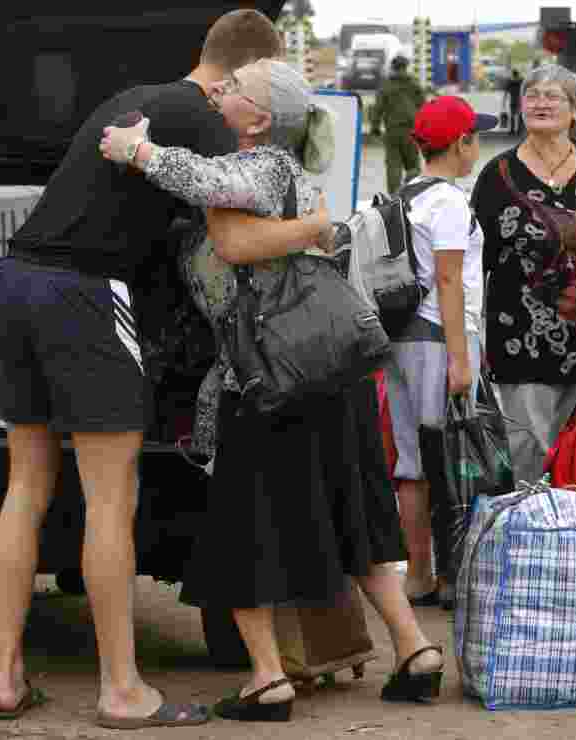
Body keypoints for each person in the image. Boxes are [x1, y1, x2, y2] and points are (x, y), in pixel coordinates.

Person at [0, 10, 332, 730]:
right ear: (245, 79)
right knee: (112, 496)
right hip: (86, 292)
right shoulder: (203, 118)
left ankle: (7, 677)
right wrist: (313, 229)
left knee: (26, 484)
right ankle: (122, 691)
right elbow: (234, 236)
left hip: (18, 280)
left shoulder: (130, 98)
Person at [99, 58, 445, 722]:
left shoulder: (261, 166)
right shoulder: (294, 177)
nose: (221, 90)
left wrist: (134, 148)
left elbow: (198, 181)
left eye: (235, 89)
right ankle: (415, 649)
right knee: (354, 516)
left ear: (258, 119)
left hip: (272, 375)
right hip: (328, 370)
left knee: (242, 523)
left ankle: (266, 677)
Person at [382, 96, 498, 609]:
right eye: (476, 136)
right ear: (459, 144)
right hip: (438, 337)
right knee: (450, 456)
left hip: (401, 340)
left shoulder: (404, 193)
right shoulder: (448, 202)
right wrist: (460, 358)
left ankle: (419, 574)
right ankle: (453, 577)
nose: (479, 146)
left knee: (412, 460)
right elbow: (449, 279)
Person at [470, 64, 576, 485]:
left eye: (553, 96)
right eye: (532, 95)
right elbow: (479, 263)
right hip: (522, 343)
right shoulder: (497, 175)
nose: (540, 103)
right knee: (527, 456)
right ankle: (527, 545)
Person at [371, 55, 427, 194]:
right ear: (406, 67)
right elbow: (424, 107)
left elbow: (378, 108)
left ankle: (394, 198)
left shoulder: (386, 86)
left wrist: (375, 127)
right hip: (412, 132)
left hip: (393, 132)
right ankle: (414, 195)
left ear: (393, 68)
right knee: (413, 165)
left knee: (393, 166)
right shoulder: (414, 84)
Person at [503, 68, 523, 136]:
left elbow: (506, 92)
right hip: (519, 100)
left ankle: (512, 130)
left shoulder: (510, 82)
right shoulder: (521, 81)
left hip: (512, 100)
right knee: (519, 115)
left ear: (513, 74)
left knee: (512, 115)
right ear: (518, 74)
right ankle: (518, 130)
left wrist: (504, 101)